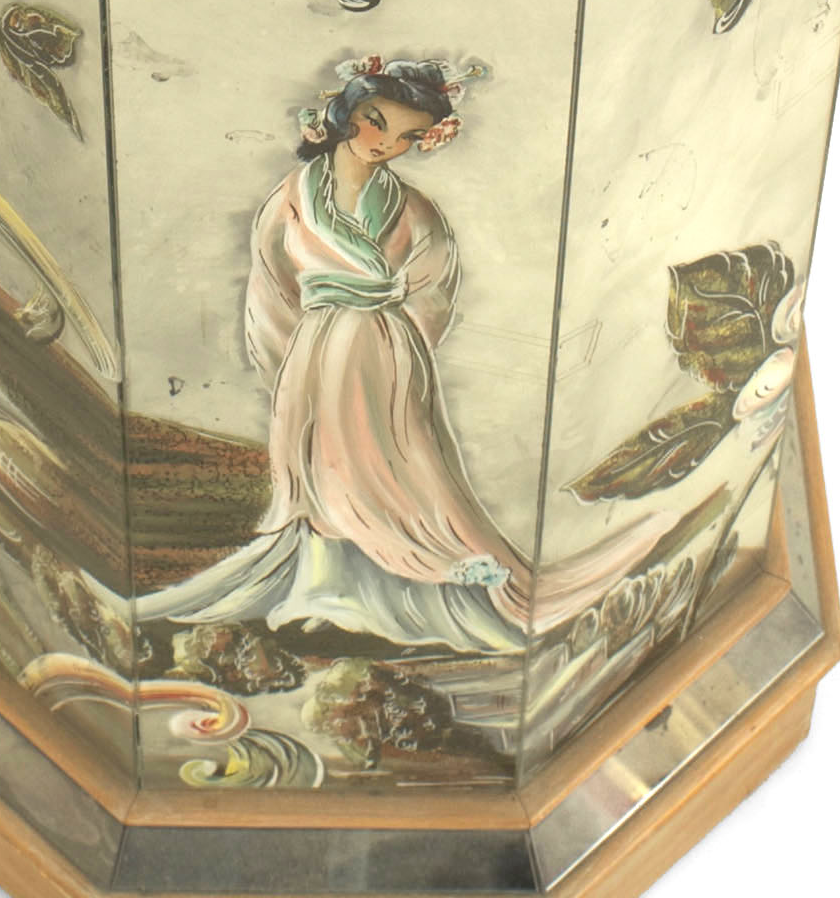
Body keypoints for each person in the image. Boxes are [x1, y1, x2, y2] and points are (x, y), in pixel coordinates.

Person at [138, 56, 690, 655]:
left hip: (385, 348)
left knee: (402, 462)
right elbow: (271, 284)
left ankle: (407, 576)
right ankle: (326, 585)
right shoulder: (292, 199)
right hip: (315, 347)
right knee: (317, 465)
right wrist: (290, 357)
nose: (385, 143)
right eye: (376, 122)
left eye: (406, 136)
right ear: (347, 113)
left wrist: (397, 342)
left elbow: (434, 287)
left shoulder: (412, 208)